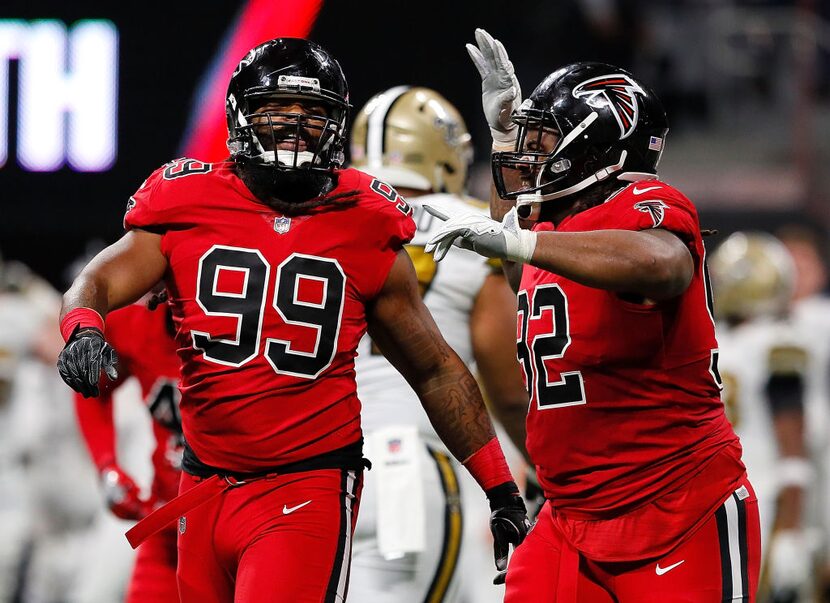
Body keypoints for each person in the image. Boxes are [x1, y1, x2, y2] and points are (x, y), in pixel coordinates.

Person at [55, 37, 528, 603]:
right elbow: (96, 281)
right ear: (241, 115)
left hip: (307, 483)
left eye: (314, 112)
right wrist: (83, 325)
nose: (297, 126)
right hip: (202, 485)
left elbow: (434, 368)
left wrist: (501, 487)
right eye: (278, 109)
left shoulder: (366, 220)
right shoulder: (187, 199)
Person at [423, 28, 760, 602]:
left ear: (597, 147)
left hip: (675, 505)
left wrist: (523, 245)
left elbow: (665, 263)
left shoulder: (642, 203)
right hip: (569, 517)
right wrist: (501, 140)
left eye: (543, 140)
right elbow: (519, 269)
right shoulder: (555, 230)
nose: (531, 155)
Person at [348, 86, 531, 602]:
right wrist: (540, 470)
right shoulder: (471, 225)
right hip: (408, 466)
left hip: (312, 473)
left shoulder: (323, 220)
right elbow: (509, 392)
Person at [710, 232, 817, 602]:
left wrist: (792, 526)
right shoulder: (715, 337)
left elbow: (791, 441)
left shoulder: (776, 341)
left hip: (763, 489)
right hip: (715, 493)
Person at [73, 290, 182, 602]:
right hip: (169, 524)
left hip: (243, 525)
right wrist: (107, 464)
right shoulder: (136, 324)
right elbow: (90, 387)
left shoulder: (252, 334)